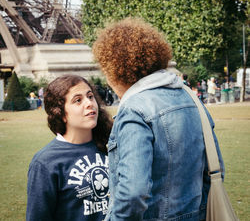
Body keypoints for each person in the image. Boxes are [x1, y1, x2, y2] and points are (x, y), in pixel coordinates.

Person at [92, 17, 224, 221]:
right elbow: (216, 171)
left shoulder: (134, 109)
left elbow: (133, 193)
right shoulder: (191, 98)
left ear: (115, 70)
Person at [26, 75, 113, 221]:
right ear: (60, 113)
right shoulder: (45, 163)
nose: (89, 103)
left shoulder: (111, 144)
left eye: (90, 96)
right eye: (78, 100)